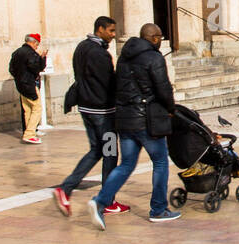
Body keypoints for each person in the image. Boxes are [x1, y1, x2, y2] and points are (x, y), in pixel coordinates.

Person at [86, 23, 180, 229]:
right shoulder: (154, 58)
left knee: (126, 164)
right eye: (160, 38)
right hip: (147, 119)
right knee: (161, 162)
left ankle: (100, 201)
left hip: (125, 119)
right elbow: (163, 87)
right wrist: (171, 108)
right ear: (154, 38)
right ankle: (158, 209)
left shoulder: (124, 56)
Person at [54, 16, 127, 218]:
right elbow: (108, 84)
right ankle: (107, 200)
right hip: (103, 113)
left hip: (87, 108)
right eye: (111, 31)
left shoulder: (82, 47)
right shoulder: (100, 54)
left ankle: (66, 189)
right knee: (110, 154)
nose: (113, 35)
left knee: (96, 151)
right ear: (100, 29)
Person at [9, 33, 48, 144]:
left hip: (20, 84)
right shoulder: (30, 53)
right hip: (29, 85)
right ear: (34, 42)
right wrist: (43, 58)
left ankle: (29, 132)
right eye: (37, 44)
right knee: (37, 108)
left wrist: (19, 78)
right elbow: (37, 67)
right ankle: (29, 133)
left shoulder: (17, 52)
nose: (37, 47)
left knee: (28, 109)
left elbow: (11, 69)